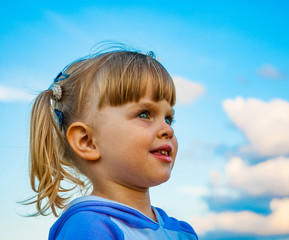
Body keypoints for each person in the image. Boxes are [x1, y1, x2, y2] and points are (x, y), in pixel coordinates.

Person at [27, 47, 198, 240]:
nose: (168, 130)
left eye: (168, 118)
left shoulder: (183, 232)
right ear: (87, 141)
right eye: (144, 114)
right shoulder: (88, 227)